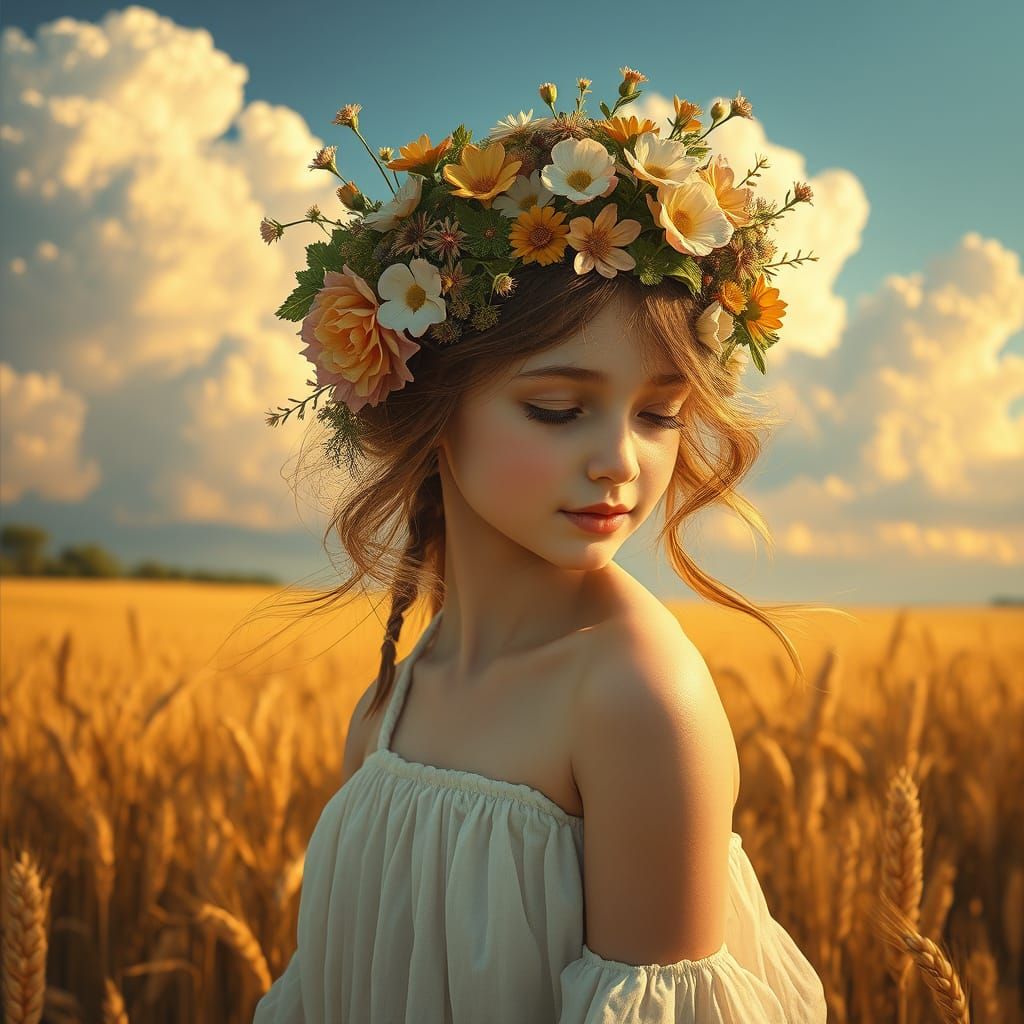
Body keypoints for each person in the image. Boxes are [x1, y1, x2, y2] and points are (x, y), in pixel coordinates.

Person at [251, 70, 836, 1022]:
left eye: (659, 415)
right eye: (558, 409)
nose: (619, 461)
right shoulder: (392, 700)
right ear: (430, 403)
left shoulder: (638, 703)